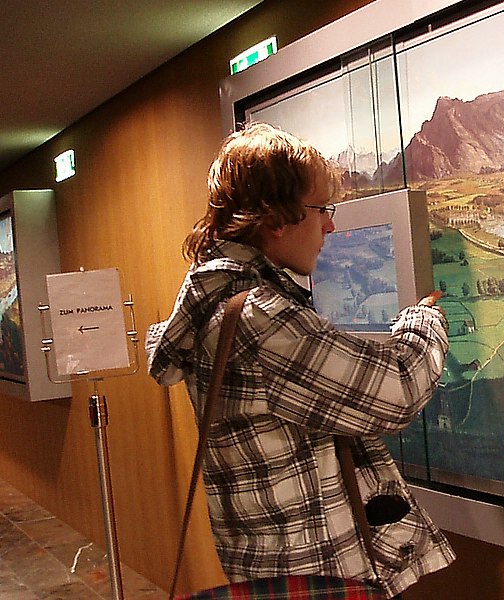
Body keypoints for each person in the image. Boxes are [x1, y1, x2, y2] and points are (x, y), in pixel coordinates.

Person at [146, 122, 454, 598]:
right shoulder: (259, 320)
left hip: (274, 566)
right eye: (320, 209)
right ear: (275, 218)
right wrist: (422, 319)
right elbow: (398, 389)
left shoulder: (223, 299)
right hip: (313, 574)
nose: (330, 225)